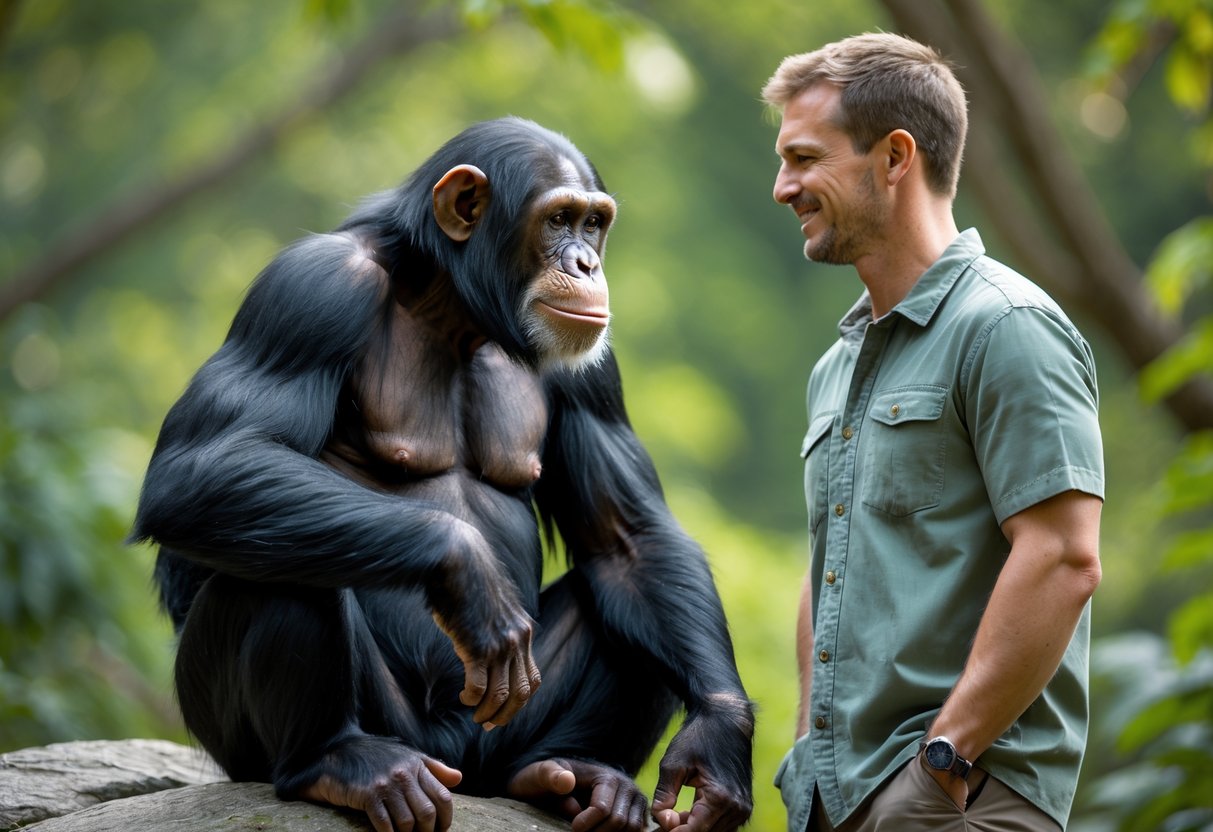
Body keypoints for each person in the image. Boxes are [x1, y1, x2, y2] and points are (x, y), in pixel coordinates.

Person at [760, 33, 1104, 832]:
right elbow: (829, 565)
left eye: (805, 158)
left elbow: (1062, 558)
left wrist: (942, 766)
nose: (782, 187)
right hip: (838, 802)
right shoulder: (834, 368)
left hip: (963, 802)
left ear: (894, 157)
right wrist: (808, 750)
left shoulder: (1007, 328)